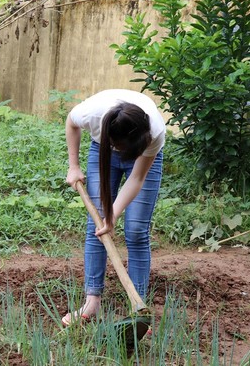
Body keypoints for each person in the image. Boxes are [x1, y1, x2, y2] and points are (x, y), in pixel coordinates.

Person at [63, 89, 165, 326]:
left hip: (143, 155)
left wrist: (113, 216)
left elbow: (137, 178)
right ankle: (92, 301)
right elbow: (71, 121)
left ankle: (138, 307)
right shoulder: (93, 114)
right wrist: (73, 166)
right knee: (96, 225)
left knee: (136, 231)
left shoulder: (154, 133)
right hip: (103, 151)